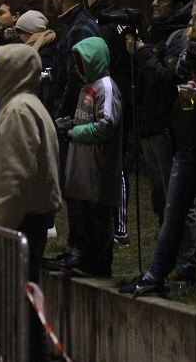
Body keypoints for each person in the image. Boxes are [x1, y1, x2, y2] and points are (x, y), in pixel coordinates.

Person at [119, 0, 196, 300]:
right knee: (173, 211)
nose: (190, 22)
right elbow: (170, 80)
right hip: (187, 143)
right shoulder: (190, 52)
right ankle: (154, 275)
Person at [0, 44, 61, 362]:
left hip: (17, 225)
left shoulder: (19, 112)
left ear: (14, 72)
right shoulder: (19, 106)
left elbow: (13, 182)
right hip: (20, 223)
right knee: (20, 310)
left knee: (17, 312)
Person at [125, 0, 196, 283]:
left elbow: (168, 81)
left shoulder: (180, 37)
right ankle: (168, 261)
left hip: (168, 128)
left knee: (176, 201)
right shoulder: (157, 32)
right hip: (150, 125)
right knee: (160, 200)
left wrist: (142, 53)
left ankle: (185, 264)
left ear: (178, 6)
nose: (154, 3)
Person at [43, 0, 99, 271]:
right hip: (73, 116)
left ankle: (81, 250)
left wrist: (62, 115)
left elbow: (75, 77)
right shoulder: (76, 24)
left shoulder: (79, 27)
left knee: (75, 187)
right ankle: (76, 248)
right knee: (71, 187)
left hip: (75, 119)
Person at [62, 36, 123, 277]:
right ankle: (88, 260)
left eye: (82, 61)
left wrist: (74, 132)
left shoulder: (105, 87)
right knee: (86, 214)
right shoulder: (89, 85)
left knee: (99, 216)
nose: (79, 67)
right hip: (85, 166)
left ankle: (101, 264)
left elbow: (106, 124)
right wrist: (70, 124)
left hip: (99, 165)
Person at [87, 0, 133, 247]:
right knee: (115, 161)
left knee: (112, 163)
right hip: (126, 96)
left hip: (106, 94)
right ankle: (113, 225)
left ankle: (118, 228)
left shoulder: (99, 25)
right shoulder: (129, 22)